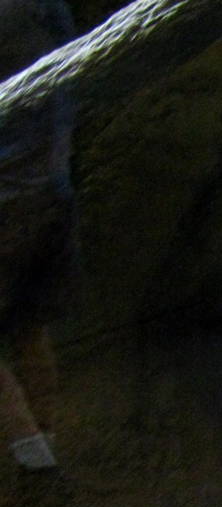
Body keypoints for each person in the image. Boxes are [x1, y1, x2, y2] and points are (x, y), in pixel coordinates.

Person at [0, 0, 78, 471]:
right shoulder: (49, 8)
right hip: (52, 188)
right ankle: (45, 440)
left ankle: (29, 452)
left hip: (5, 195)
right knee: (29, 325)